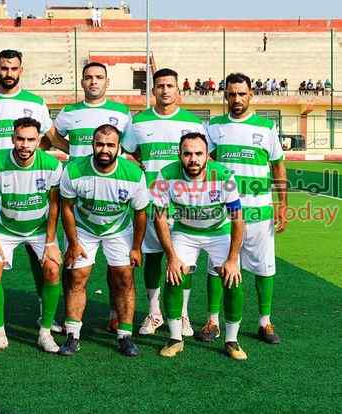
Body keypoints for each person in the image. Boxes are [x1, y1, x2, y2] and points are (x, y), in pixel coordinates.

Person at [0, 49, 57, 335]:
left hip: (29, 185)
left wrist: (77, 154)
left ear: (21, 70)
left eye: (14, 68)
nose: (9, 73)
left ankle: (45, 314)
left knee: (39, 258)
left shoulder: (35, 102)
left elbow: (48, 139)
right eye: (4, 68)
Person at [46, 61, 132, 332]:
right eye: (88, 77)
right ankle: (69, 317)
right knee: (74, 264)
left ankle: (115, 312)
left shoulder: (121, 112)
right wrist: (73, 152)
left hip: (111, 194)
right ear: (82, 82)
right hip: (78, 193)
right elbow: (52, 138)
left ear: (107, 82)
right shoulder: (69, 112)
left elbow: (130, 147)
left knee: (117, 266)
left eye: (99, 77)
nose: (93, 81)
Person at [204, 72, 287, 345]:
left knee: (264, 268)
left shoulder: (266, 127)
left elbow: (278, 165)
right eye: (231, 94)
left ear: (251, 94)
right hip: (223, 214)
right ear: (225, 96)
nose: (236, 99)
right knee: (218, 267)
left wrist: (282, 204)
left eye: (241, 93)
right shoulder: (214, 126)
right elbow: (202, 160)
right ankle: (212, 321)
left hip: (259, 212)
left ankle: (265, 322)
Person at [122, 68, 206, 337]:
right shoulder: (139, 121)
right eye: (160, 86)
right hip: (151, 201)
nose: (165, 90)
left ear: (178, 89)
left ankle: (182, 314)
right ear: (153, 90)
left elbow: (202, 159)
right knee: (153, 257)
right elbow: (131, 151)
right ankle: (154, 312)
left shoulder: (194, 123)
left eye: (170, 85)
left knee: (185, 261)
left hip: (184, 204)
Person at [152, 132, 247, 360]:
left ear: (207, 155)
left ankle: (232, 340)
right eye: (187, 154)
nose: (193, 159)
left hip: (218, 231)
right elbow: (159, 218)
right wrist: (172, 257)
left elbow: (238, 219)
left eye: (198, 154)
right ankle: (175, 338)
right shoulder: (166, 175)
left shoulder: (223, 176)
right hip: (185, 231)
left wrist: (232, 259)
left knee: (232, 278)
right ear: (179, 155)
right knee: (174, 276)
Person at [59, 124, 148, 357]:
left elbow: (140, 213)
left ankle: (125, 336)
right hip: (84, 228)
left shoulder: (133, 174)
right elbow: (66, 208)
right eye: (100, 144)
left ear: (119, 148)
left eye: (110, 145)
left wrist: (136, 248)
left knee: (124, 278)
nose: (105, 149)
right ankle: (72, 336)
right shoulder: (74, 170)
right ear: (92, 145)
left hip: (118, 229)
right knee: (77, 276)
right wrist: (73, 243)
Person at [0, 117, 63, 354]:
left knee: (52, 269)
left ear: (39, 141)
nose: (25, 145)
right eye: (20, 139)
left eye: (30, 140)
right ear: (12, 139)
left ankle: (45, 332)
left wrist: (50, 241)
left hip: (39, 229)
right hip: (5, 228)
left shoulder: (51, 165)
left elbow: (54, 205)